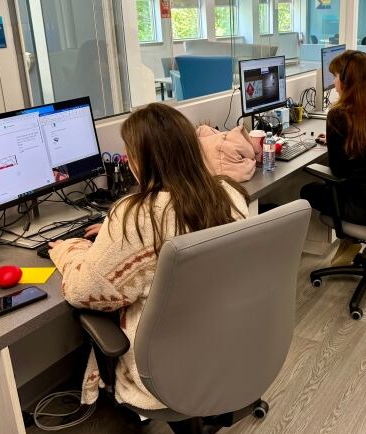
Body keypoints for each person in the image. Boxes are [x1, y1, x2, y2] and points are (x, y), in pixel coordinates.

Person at [48, 104, 249, 410]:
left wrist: (69, 250)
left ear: (140, 160)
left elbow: (82, 291)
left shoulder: (138, 216)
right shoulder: (228, 194)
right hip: (224, 345)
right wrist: (113, 233)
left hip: (165, 367)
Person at [301, 51, 366, 266]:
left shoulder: (338, 114)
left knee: (306, 190)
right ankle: (350, 244)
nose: (334, 81)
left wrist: (336, 142)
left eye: (335, 76)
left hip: (361, 207)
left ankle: (347, 240)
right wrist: (337, 141)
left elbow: (338, 171)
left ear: (347, 80)